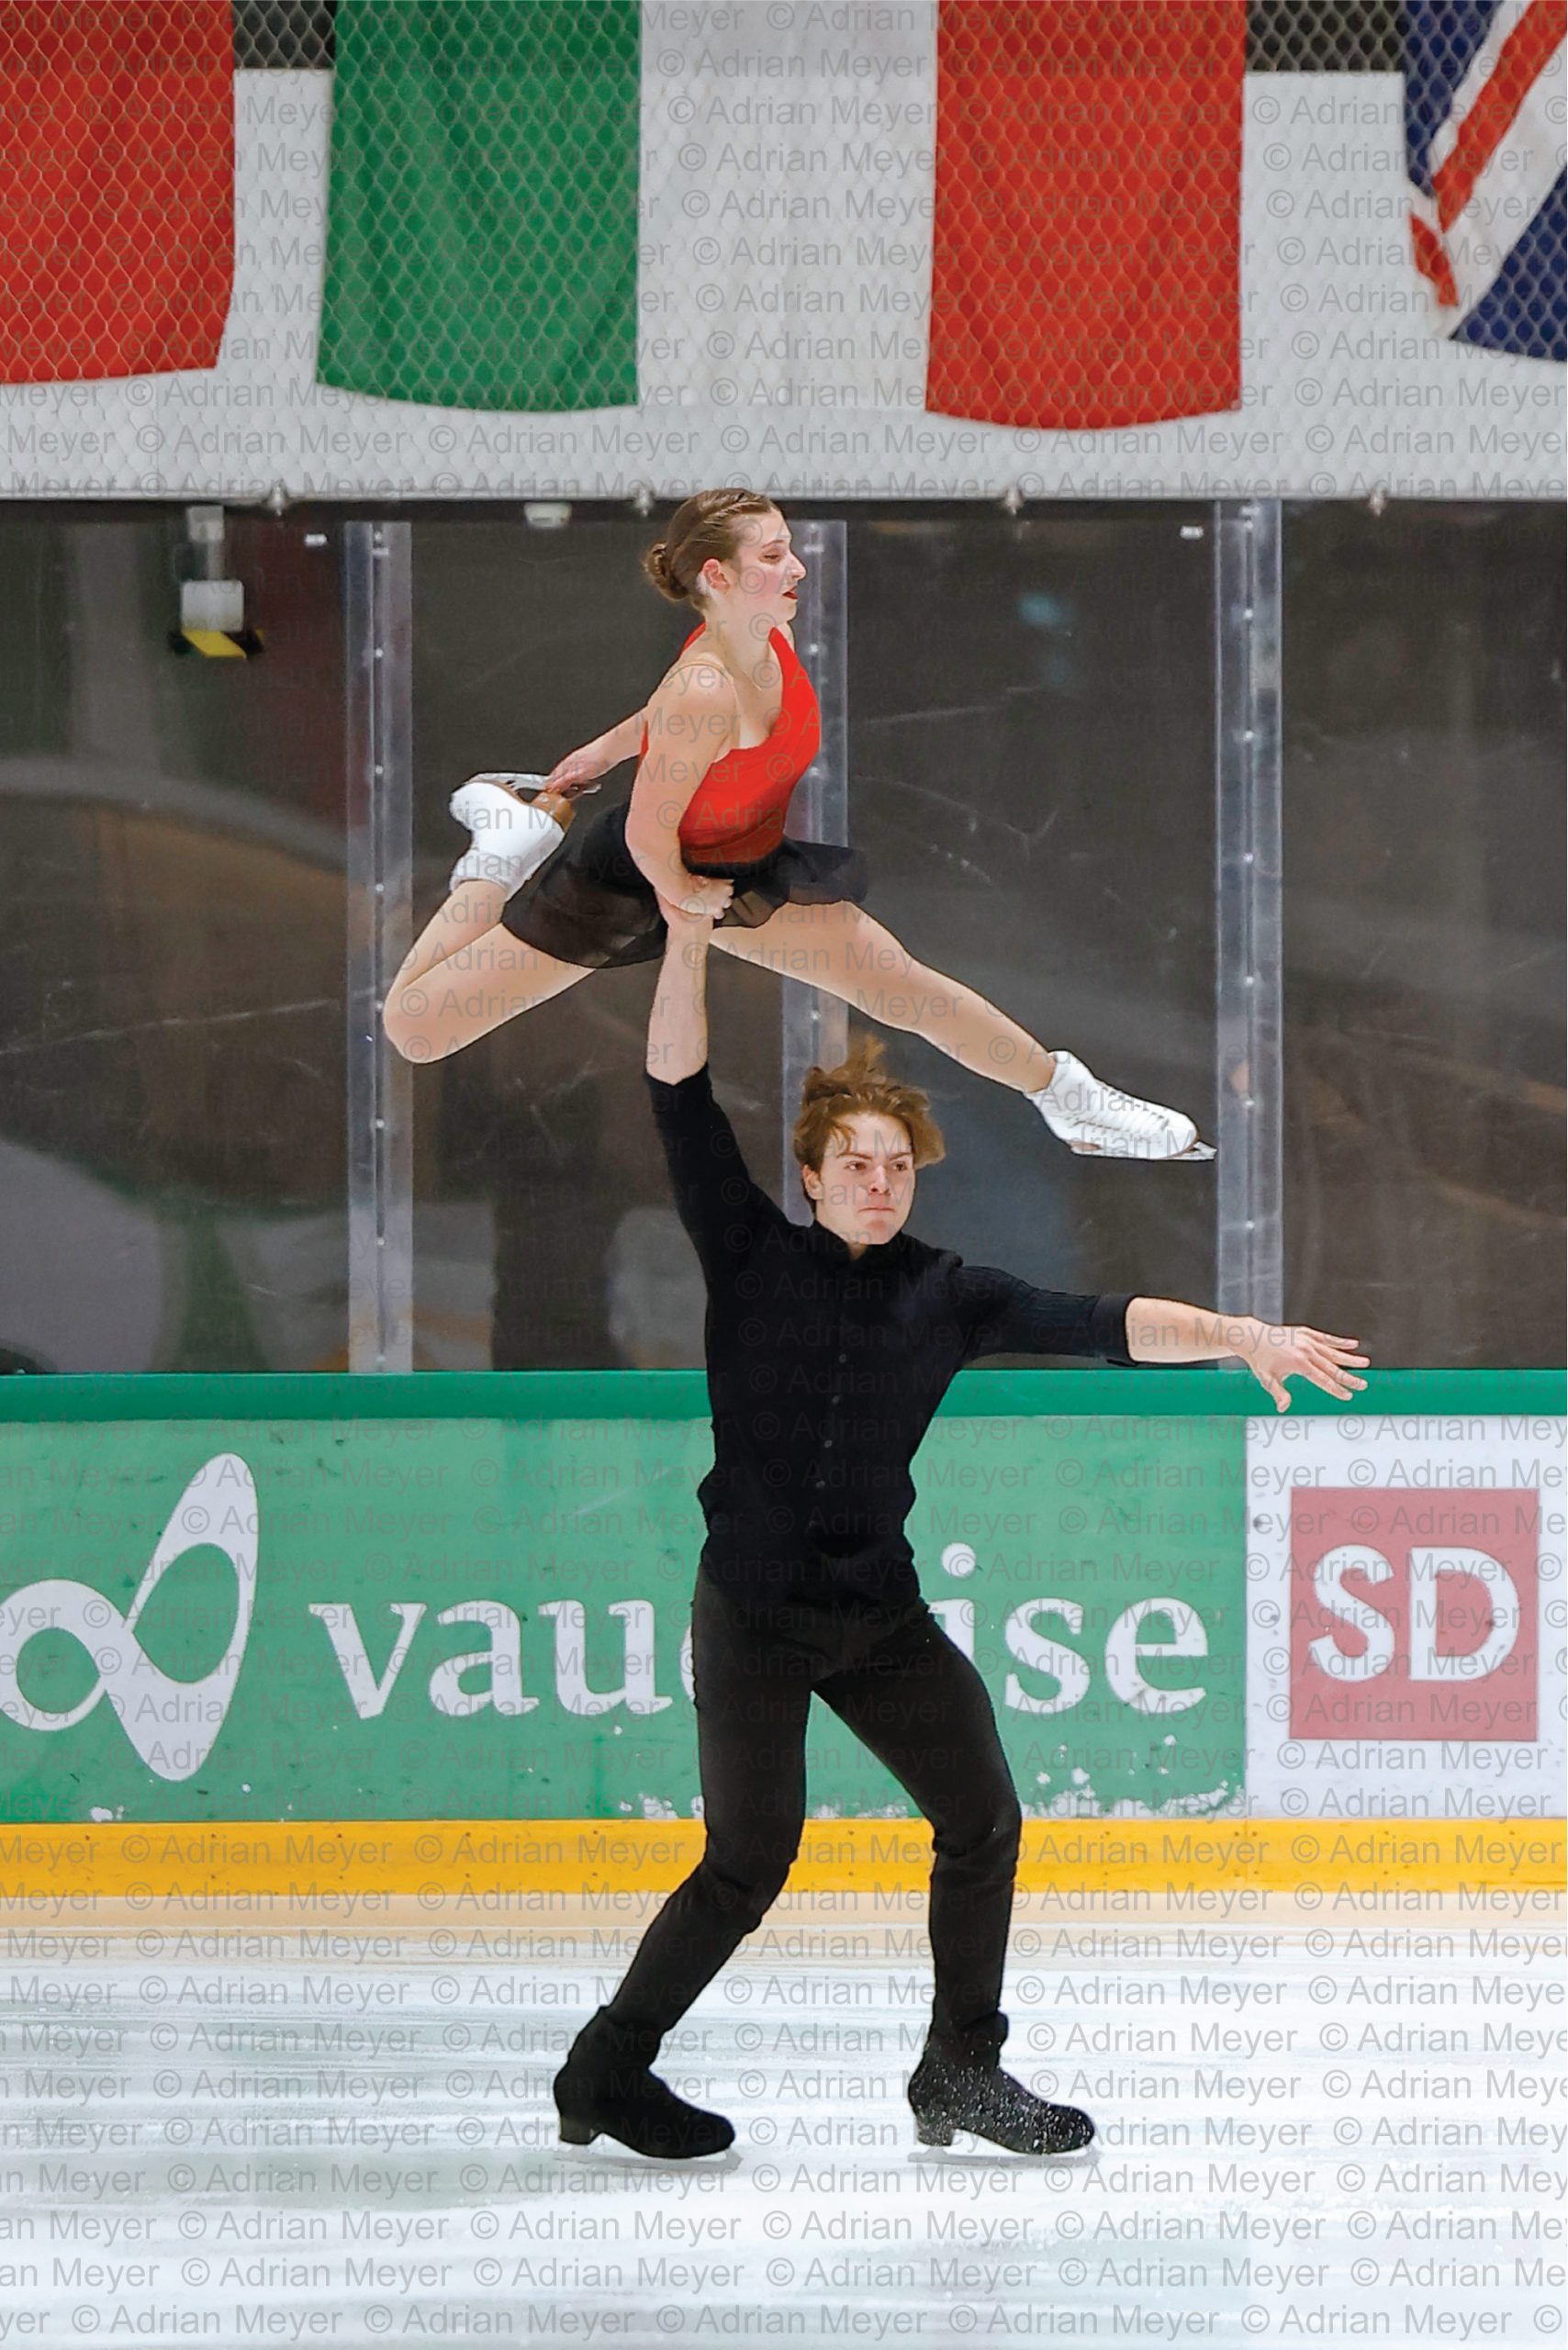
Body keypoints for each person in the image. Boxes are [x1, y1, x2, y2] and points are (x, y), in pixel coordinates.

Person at [550, 898, 1370, 2162]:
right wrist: (692, 937)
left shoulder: (950, 1296)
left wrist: (1240, 1336)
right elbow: (678, 1089)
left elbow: (1105, 1320)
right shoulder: (746, 1251)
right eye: (855, 1165)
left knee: (982, 1818)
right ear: (812, 1176)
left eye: (898, 1166)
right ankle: (607, 2069)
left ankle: (959, 2071)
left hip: (877, 1615)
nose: (878, 1184)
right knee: (747, 1865)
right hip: (755, 1614)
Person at [382, 487, 1215, 1164]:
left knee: (900, 985)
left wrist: (599, 751)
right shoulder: (706, 685)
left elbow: (665, 723)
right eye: (774, 556)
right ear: (718, 574)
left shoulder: (760, 636)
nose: (799, 568)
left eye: (790, 548)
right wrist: (681, 897)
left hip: (738, 869)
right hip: (641, 879)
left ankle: (1069, 1100)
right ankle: (502, 851)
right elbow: (646, 833)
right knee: (416, 1032)